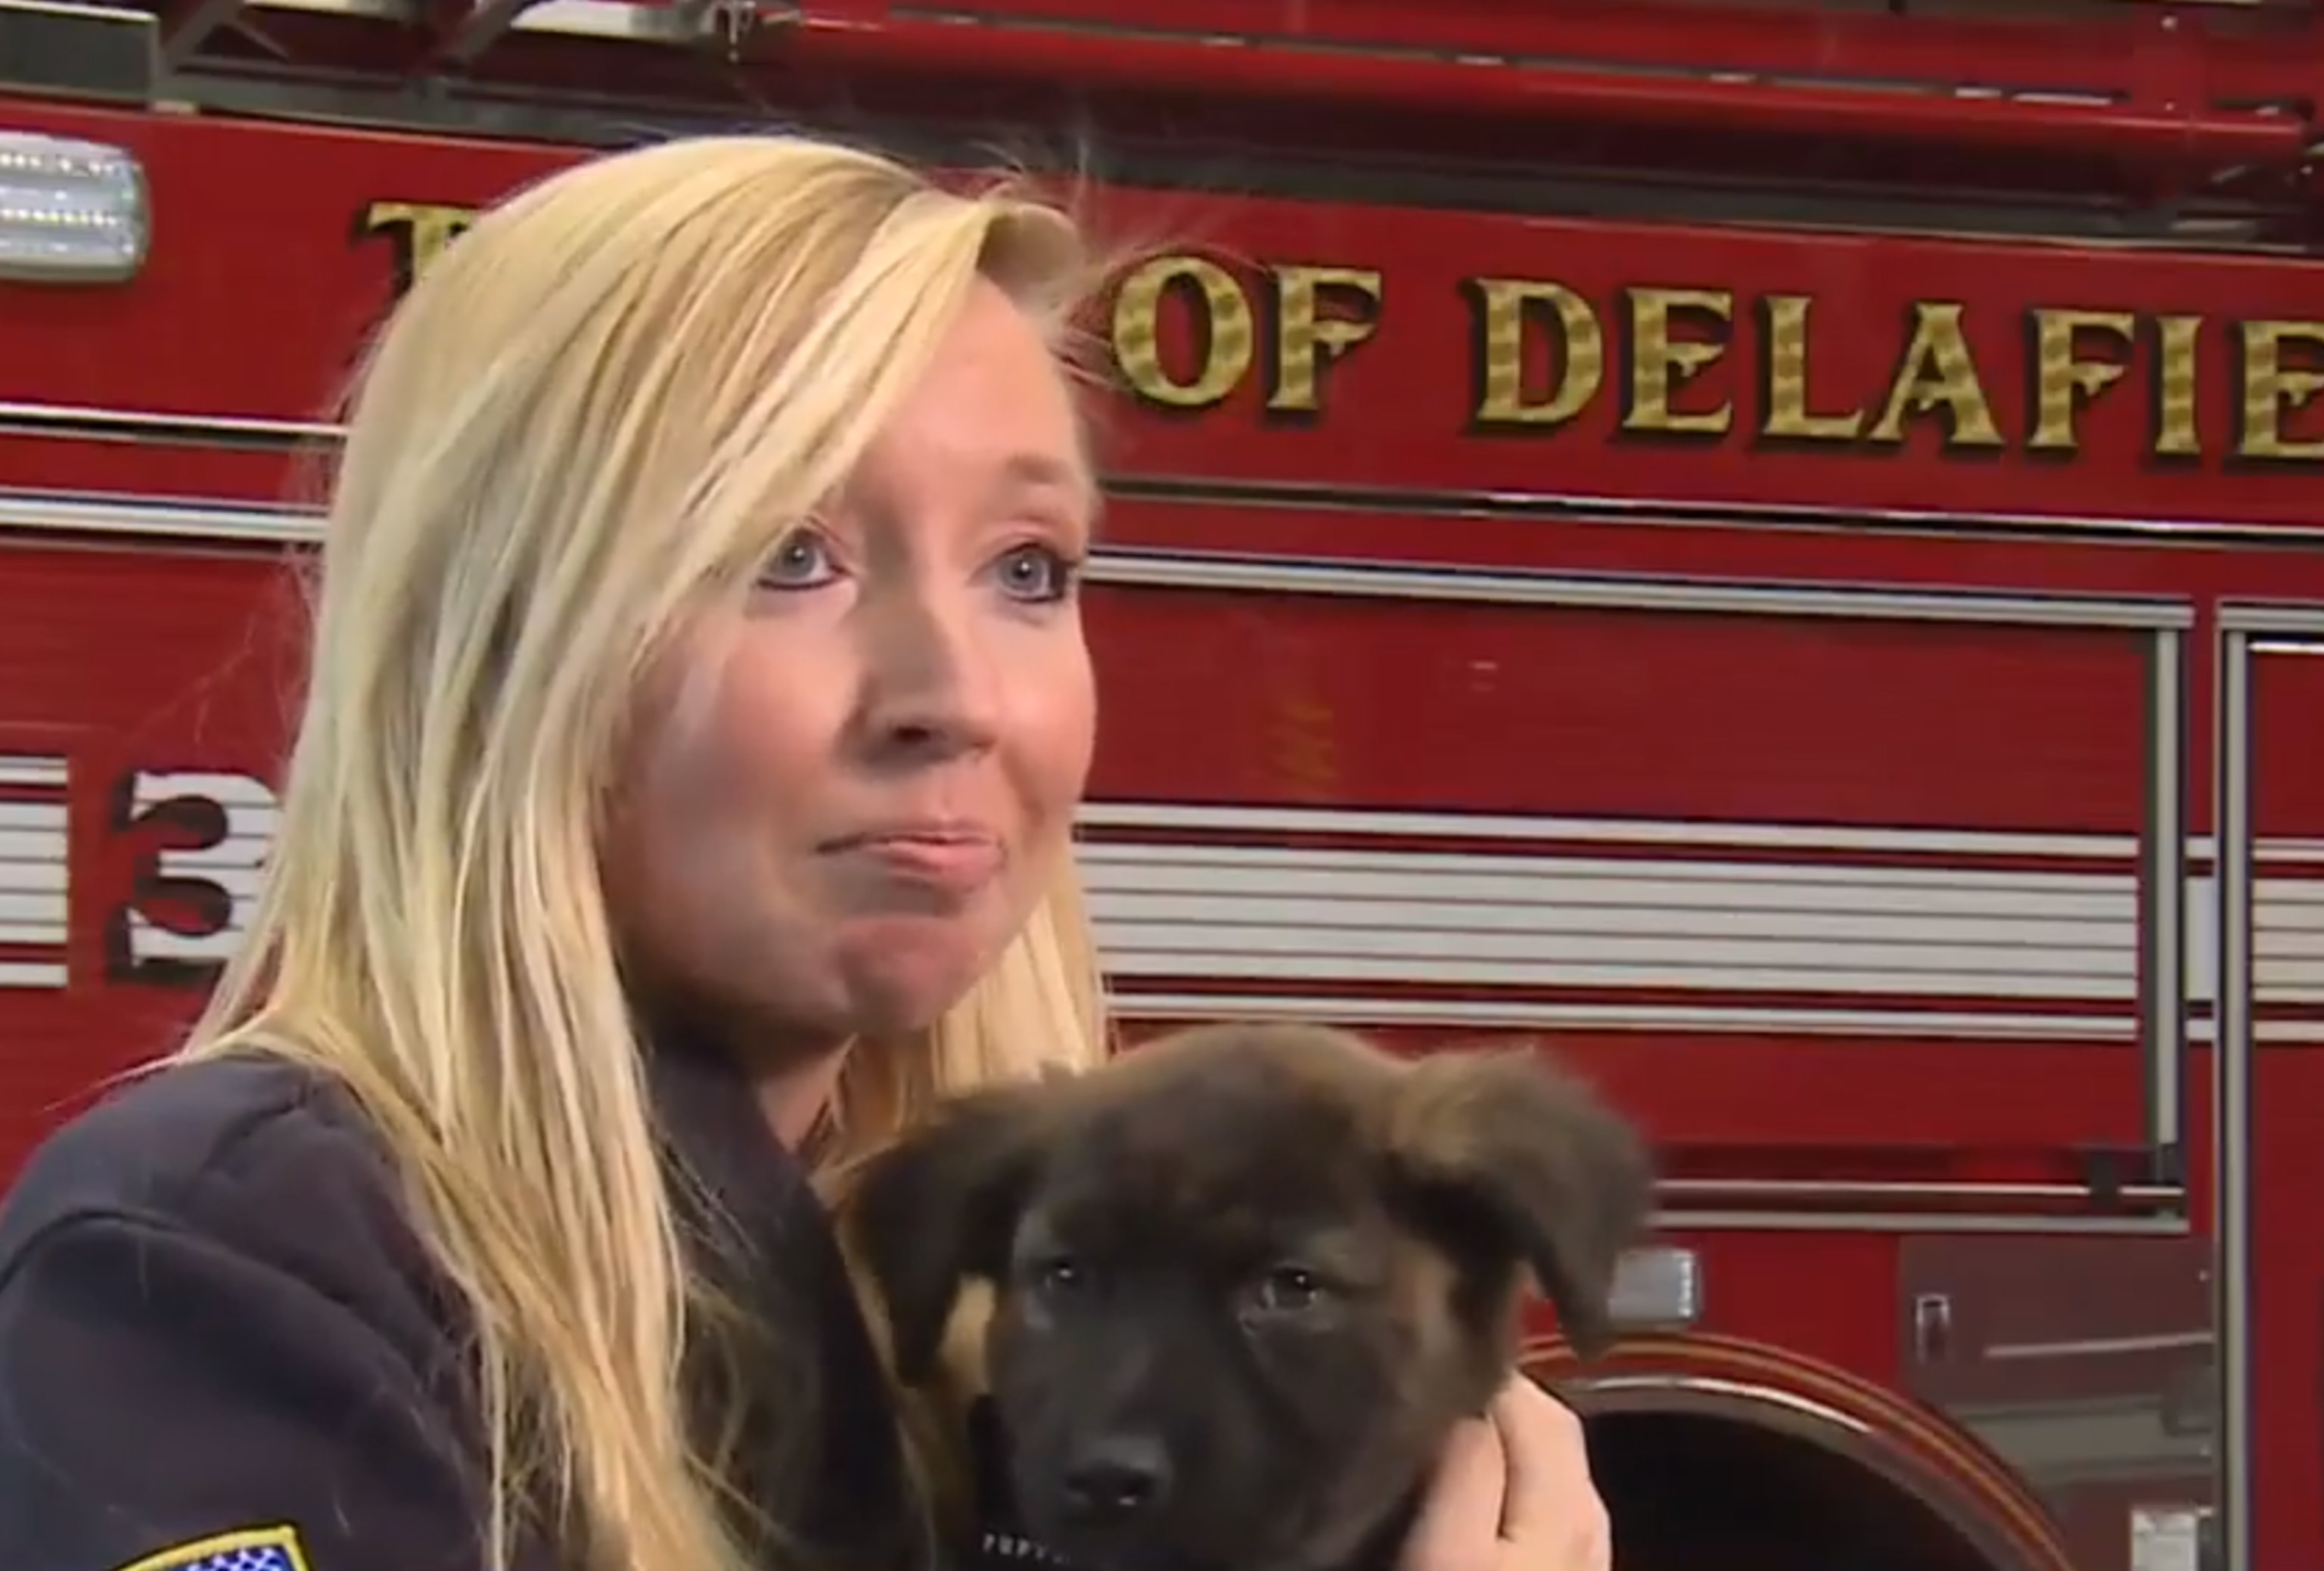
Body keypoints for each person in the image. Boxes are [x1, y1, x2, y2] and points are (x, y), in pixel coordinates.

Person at [0, 135, 1613, 1571]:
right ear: (505, 647)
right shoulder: (220, 1272)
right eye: (791, 555)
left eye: (1029, 568)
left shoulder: (948, 1305)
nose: (958, 697)